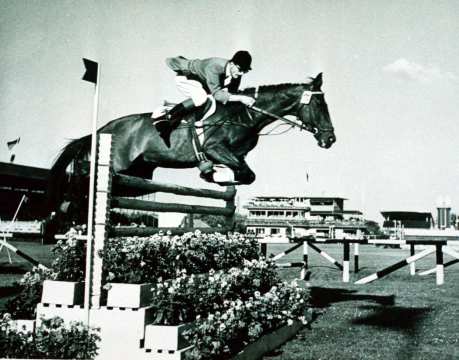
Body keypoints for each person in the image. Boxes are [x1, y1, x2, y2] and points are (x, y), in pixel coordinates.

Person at [154, 50, 256, 147]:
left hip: (202, 84)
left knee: (210, 101)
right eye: (240, 69)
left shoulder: (236, 73)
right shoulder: (215, 66)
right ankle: (166, 117)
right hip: (187, 77)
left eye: (245, 71)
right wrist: (241, 98)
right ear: (232, 64)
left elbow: (230, 94)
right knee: (201, 98)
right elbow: (217, 94)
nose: (241, 73)